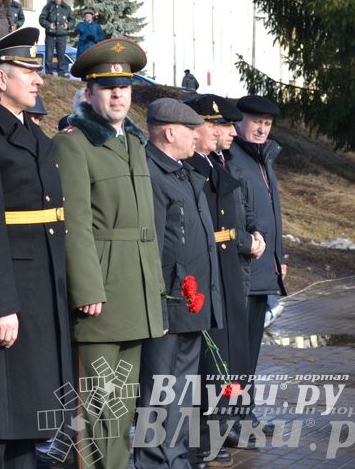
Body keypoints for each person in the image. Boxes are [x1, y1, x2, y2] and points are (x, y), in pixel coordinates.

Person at [53, 39, 167, 469]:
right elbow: (74, 223)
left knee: (122, 407)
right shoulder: (74, 143)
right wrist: (86, 287)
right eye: (107, 87)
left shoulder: (133, 143)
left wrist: (154, 286)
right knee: (95, 407)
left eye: (125, 86)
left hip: (135, 294)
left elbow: (146, 228)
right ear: (88, 93)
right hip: (99, 294)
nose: (118, 94)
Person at [0, 28, 72, 469]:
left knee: (28, 418)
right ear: (0, 80)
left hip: (42, 291)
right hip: (10, 294)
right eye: (28, 71)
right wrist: (0, 304)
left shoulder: (33, 135)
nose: (39, 79)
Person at [135, 98, 223, 469]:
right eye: (191, 130)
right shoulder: (151, 174)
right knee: (159, 389)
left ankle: (175, 458)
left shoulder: (183, 171)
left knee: (182, 388)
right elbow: (151, 245)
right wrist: (159, 304)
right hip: (169, 302)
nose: (197, 136)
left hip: (191, 302)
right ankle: (155, 461)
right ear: (170, 132)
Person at [183, 94, 264, 465]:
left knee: (226, 358)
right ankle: (201, 440)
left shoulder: (217, 162)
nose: (230, 132)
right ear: (200, 127)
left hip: (228, 266)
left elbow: (237, 212)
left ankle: (218, 430)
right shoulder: (192, 167)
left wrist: (249, 237)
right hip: (210, 265)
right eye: (222, 125)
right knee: (208, 363)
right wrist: (243, 240)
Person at [226, 95, 287, 438]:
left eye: (268, 123)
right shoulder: (232, 159)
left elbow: (272, 213)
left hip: (265, 270)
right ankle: (230, 419)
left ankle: (245, 415)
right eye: (256, 121)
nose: (262, 128)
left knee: (249, 355)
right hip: (242, 270)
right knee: (235, 356)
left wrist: (282, 256)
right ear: (239, 121)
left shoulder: (264, 158)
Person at [39, 0, 73, 76]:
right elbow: (41, 19)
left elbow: (73, 20)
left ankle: (61, 73)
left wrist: (68, 25)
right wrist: (48, 25)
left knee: (61, 55)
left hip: (62, 36)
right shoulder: (48, 7)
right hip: (50, 35)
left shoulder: (66, 8)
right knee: (49, 56)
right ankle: (49, 73)